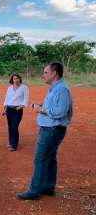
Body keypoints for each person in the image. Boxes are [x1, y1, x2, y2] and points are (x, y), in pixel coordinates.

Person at [18, 63, 73, 200]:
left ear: (54, 73)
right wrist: (41, 106)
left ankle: (35, 190)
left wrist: (41, 110)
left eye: (45, 72)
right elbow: (53, 107)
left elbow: (60, 112)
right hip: (51, 128)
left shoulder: (62, 89)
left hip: (52, 130)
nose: (43, 75)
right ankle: (48, 187)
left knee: (41, 159)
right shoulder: (54, 89)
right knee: (50, 158)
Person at [2, 73, 29, 151]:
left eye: (17, 78)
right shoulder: (10, 88)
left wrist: (20, 107)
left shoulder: (24, 87)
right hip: (9, 109)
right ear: (12, 80)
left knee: (14, 127)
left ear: (20, 79)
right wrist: (5, 107)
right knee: (10, 127)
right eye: (14, 79)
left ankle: (14, 145)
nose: (16, 80)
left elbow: (26, 100)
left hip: (17, 110)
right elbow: (7, 98)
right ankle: (10, 142)